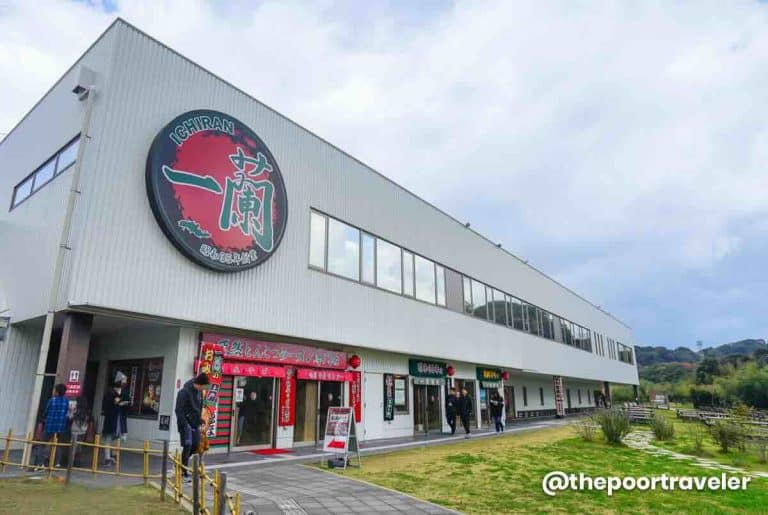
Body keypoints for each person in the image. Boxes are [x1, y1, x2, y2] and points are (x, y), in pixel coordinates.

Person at [175, 373, 209, 481]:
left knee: (196, 445)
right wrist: (185, 424)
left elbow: (198, 408)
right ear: (199, 384)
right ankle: (183, 472)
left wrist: (200, 420)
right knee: (188, 445)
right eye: (204, 386)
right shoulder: (184, 392)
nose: (204, 389)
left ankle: (180, 463)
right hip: (185, 423)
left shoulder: (199, 392)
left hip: (195, 423)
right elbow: (178, 410)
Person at [41, 384, 70, 467]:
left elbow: (46, 411)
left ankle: (41, 462)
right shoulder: (66, 401)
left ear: (57, 392)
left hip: (49, 425)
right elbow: (66, 412)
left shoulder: (51, 400)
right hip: (60, 426)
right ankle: (57, 463)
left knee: (42, 444)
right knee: (58, 445)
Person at [102, 379, 126, 465]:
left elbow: (106, 408)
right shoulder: (115, 396)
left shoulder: (109, 395)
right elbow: (117, 406)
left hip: (110, 421)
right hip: (115, 421)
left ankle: (109, 458)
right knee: (114, 439)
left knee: (108, 440)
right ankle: (111, 458)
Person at [69, 396, 91, 467]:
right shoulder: (86, 412)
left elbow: (70, 417)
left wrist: (71, 410)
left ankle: (71, 462)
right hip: (83, 431)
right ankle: (78, 462)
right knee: (79, 446)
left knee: (73, 446)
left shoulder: (76, 410)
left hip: (75, 430)